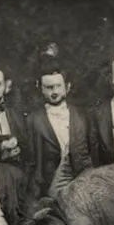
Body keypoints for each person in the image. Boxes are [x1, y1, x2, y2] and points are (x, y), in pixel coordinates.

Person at [27, 47, 93, 199]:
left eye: (58, 86)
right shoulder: (33, 120)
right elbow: (32, 160)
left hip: (82, 179)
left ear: (68, 87)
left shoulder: (82, 115)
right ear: (40, 89)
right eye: (49, 88)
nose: (54, 92)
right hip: (50, 183)